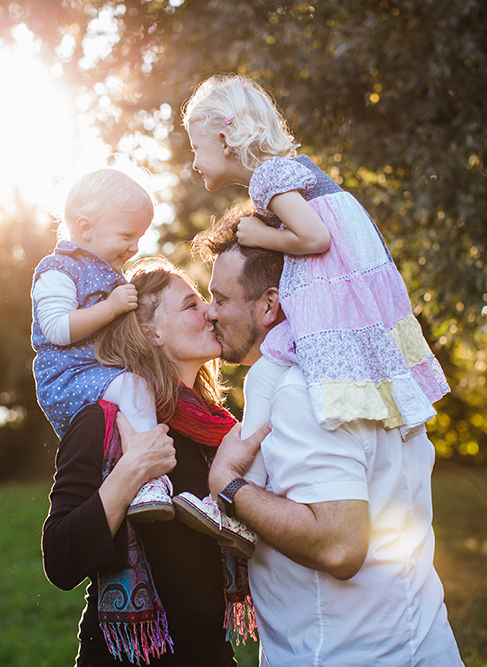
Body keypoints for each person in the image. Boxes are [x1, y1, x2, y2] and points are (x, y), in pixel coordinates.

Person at [191, 215, 465, 666]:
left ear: (269, 305)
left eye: (220, 297)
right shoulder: (376, 373)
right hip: (423, 644)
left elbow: (340, 545)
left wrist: (230, 486)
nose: (211, 311)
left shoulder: (302, 391)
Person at [182, 73, 450, 489]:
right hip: (354, 289)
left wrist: (261, 236)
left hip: (337, 288)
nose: (194, 161)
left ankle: (238, 489)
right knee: (273, 367)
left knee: (273, 373)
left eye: (197, 147)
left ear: (225, 140)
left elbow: (315, 237)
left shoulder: (269, 178)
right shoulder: (289, 173)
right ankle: (246, 482)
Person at [42, 258, 258, 666]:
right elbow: (60, 560)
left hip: (211, 654)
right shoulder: (105, 421)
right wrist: (131, 471)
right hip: (126, 657)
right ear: (150, 332)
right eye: (191, 305)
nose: (210, 311)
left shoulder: (220, 431)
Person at [30, 168, 171, 521]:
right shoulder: (58, 270)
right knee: (133, 386)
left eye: (139, 237)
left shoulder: (107, 271)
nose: (135, 247)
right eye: (126, 235)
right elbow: (58, 328)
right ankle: (148, 476)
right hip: (68, 377)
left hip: (95, 371)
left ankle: (129, 473)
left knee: (141, 385)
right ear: (85, 228)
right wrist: (109, 307)